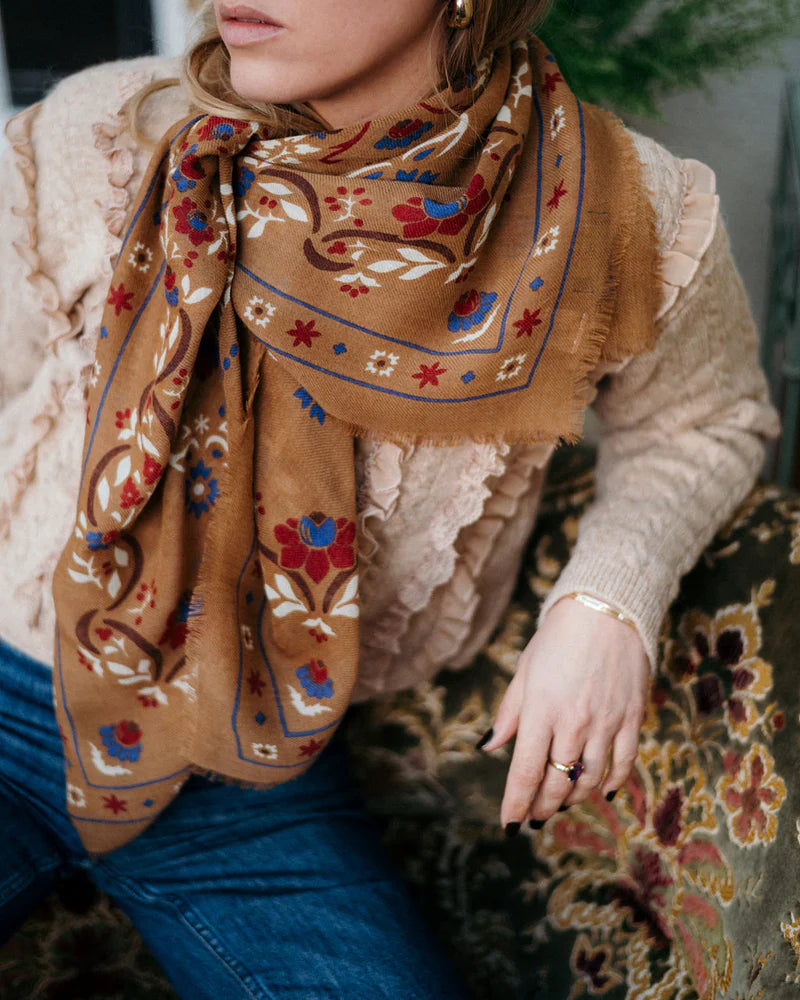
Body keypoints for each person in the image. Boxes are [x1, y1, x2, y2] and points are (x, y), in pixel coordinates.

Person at [0, 0, 781, 996]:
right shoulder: (98, 134)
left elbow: (706, 419)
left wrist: (605, 604)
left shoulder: (625, 210)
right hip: (13, 677)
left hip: (257, 756)